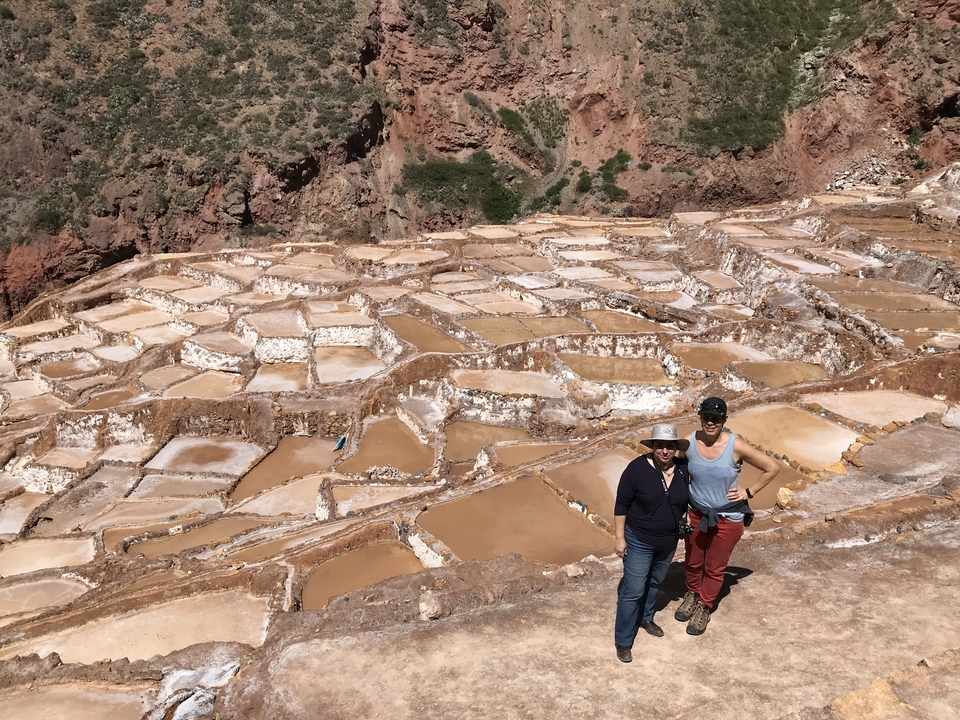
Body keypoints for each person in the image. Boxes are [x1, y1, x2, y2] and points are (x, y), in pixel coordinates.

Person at [676, 396, 780, 636]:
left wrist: (749, 491)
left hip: (727, 517)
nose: (710, 422)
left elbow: (772, 467)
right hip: (697, 513)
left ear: (724, 420)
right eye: (706, 417)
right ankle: (691, 594)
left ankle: (704, 605)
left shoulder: (736, 445)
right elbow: (671, 458)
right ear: (700, 418)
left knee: (714, 566)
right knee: (692, 560)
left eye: (715, 418)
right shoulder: (690, 441)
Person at [613, 424, 690, 663]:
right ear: (653, 447)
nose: (665, 451)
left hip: (667, 540)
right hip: (639, 539)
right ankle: (623, 640)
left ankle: (646, 618)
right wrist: (619, 537)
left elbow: (684, 499)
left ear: (676, 449)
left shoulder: (682, 470)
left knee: (655, 582)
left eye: (669, 446)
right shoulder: (636, 469)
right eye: (660, 446)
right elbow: (621, 504)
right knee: (633, 590)